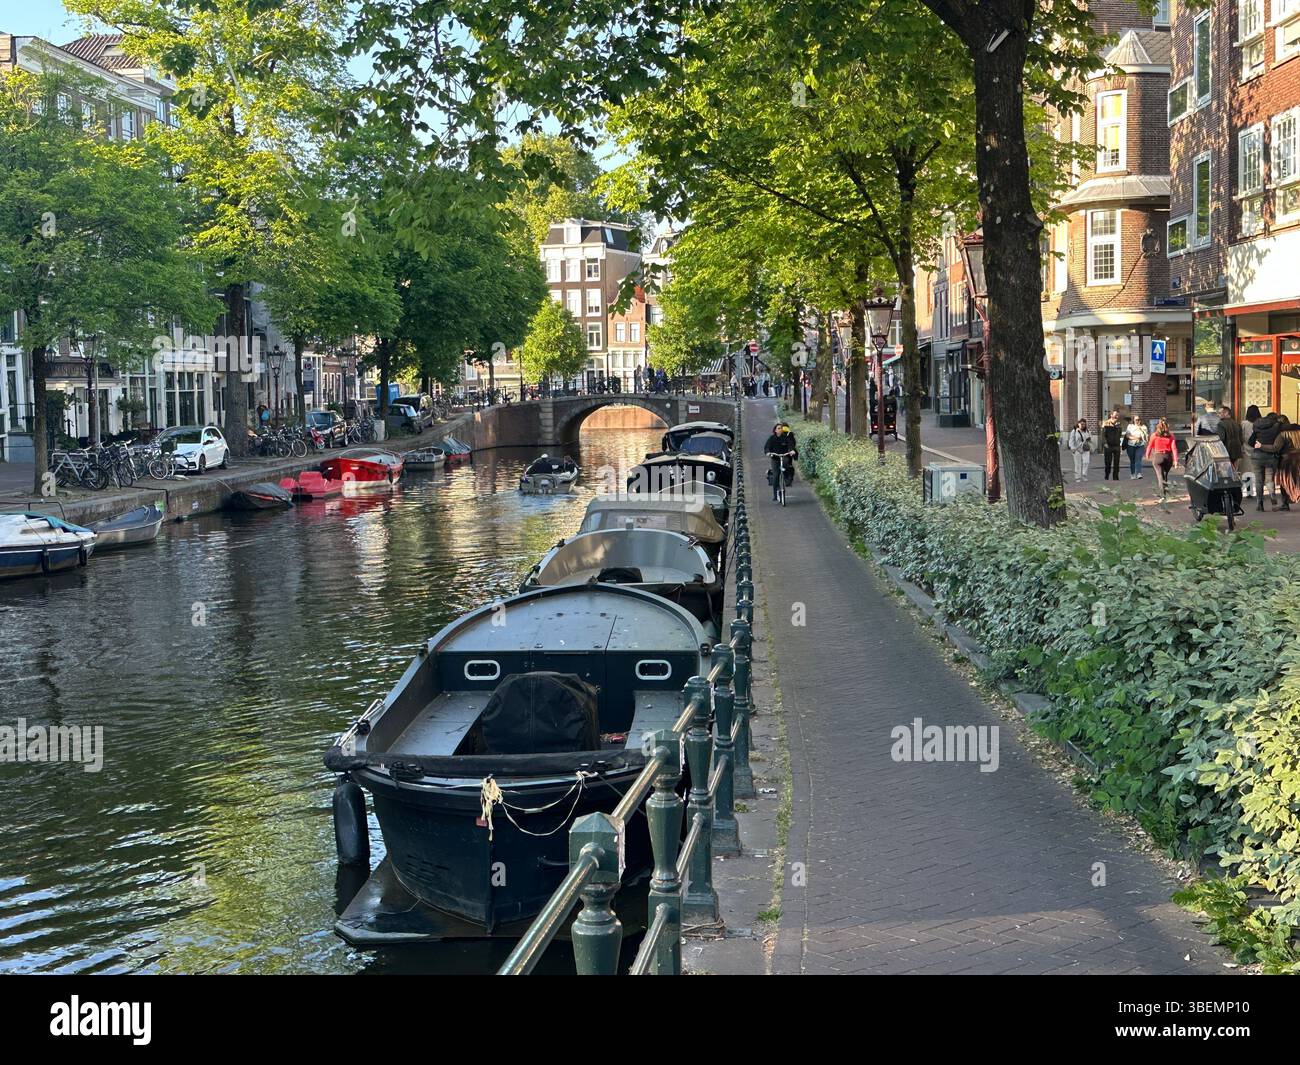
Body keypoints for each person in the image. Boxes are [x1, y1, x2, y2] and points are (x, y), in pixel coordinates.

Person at [1249, 408, 1286, 510]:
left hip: (1257, 457)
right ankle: (1272, 495)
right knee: (1269, 479)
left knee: (1259, 481)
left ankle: (1260, 504)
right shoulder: (1277, 428)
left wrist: (1257, 444)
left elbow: (1250, 442)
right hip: (1270, 457)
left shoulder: (1257, 427)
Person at [1144, 419, 1179, 497]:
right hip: (1168, 457)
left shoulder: (1154, 435)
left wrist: (1147, 455)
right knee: (1165, 476)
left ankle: (1163, 496)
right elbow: (1174, 448)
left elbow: (1150, 446)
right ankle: (1165, 493)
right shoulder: (1171, 436)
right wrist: (1176, 461)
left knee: (1160, 476)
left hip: (1158, 457)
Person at [764, 422, 798, 501]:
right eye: (778, 428)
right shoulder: (771, 438)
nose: (780, 430)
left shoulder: (785, 437)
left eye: (781, 428)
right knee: (776, 476)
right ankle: (775, 494)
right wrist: (768, 452)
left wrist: (791, 450)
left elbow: (790, 445)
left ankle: (787, 477)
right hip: (775, 458)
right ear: (775, 430)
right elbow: (767, 447)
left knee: (787, 464)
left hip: (784, 457)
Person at [1241, 405, 1260, 497]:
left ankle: (1249, 492)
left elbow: (1241, 436)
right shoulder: (1260, 422)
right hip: (1258, 449)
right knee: (1258, 472)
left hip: (1246, 450)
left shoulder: (1244, 423)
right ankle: (1260, 492)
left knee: (1247, 472)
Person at [1067, 419, 1093, 483]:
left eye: (1084, 424)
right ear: (1078, 424)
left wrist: (1088, 438)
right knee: (1078, 464)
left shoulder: (1087, 431)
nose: (1082, 425)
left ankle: (1084, 475)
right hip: (1077, 449)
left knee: (1086, 462)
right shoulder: (1074, 431)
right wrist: (1072, 447)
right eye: (1081, 424)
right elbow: (1071, 440)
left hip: (1085, 448)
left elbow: (1089, 439)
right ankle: (1077, 477)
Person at [1100, 412, 1123, 481]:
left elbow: (1120, 434)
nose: (1117, 416)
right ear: (1111, 415)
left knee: (1117, 462)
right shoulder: (1106, 423)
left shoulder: (1119, 424)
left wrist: (1119, 444)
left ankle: (1115, 477)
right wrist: (1105, 443)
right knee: (1108, 462)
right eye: (1115, 415)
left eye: (1118, 415)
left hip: (1116, 445)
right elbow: (1102, 434)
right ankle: (1107, 475)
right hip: (1108, 446)